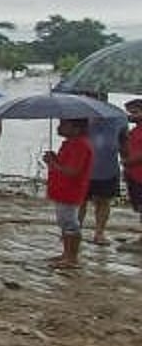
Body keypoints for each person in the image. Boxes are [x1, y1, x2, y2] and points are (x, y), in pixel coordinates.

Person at [44, 118, 93, 269]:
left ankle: (72, 257)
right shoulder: (70, 144)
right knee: (64, 222)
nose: (60, 128)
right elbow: (65, 165)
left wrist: (53, 164)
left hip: (71, 190)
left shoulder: (80, 145)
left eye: (64, 125)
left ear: (76, 128)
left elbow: (73, 171)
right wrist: (54, 160)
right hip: (62, 189)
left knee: (70, 223)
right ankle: (66, 254)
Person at [80, 95, 128, 246]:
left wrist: (127, 163)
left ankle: (99, 233)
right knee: (79, 202)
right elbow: (67, 134)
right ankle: (75, 231)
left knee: (104, 201)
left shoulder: (118, 116)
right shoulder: (79, 115)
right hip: (83, 167)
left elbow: (124, 140)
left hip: (108, 166)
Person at [121, 99, 142, 247]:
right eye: (130, 113)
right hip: (133, 174)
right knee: (138, 206)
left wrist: (129, 161)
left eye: (135, 112)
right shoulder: (133, 131)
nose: (131, 116)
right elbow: (126, 151)